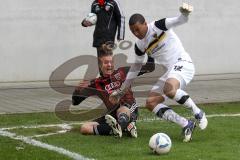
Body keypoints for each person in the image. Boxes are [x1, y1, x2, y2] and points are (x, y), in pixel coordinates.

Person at [109, 3, 208, 142]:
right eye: (133, 31)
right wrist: (121, 91)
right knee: (150, 103)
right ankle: (186, 124)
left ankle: (198, 112)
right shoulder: (139, 45)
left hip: (183, 63)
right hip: (170, 72)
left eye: (137, 29)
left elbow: (181, 20)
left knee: (169, 89)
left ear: (145, 23)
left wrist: (185, 13)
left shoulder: (159, 25)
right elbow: (135, 69)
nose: (136, 33)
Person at [72, 48, 155, 138]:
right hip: (112, 115)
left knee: (122, 109)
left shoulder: (123, 72)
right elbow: (75, 102)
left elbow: (149, 68)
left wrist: (150, 53)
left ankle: (123, 124)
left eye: (111, 62)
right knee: (85, 128)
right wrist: (77, 90)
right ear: (100, 65)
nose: (109, 65)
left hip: (129, 109)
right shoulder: (96, 84)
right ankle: (124, 128)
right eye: (106, 62)